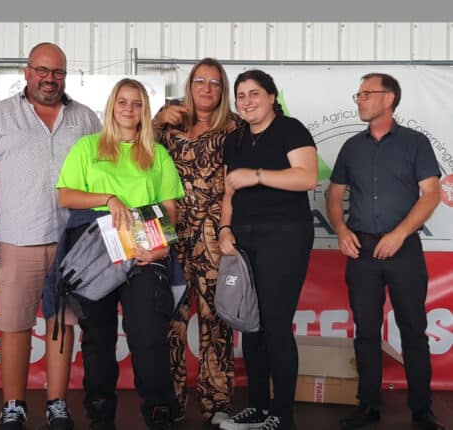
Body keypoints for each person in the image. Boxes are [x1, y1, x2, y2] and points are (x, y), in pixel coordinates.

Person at [0, 42, 101, 430]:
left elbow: (104, 172)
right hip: (17, 240)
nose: (49, 79)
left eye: (57, 72)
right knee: (15, 325)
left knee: (61, 324)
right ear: (27, 72)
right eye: (42, 70)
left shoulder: (86, 118)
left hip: (71, 243)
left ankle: (57, 403)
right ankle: (13, 406)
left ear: (65, 75)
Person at [50, 78, 184, 430]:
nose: (129, 109)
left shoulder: (157, 154)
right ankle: (100, 413)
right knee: (97, 335)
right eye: (122, 102)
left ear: (144, 110)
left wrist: (161, 248)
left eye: (136, 103)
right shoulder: (88, 147)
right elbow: (65, 195)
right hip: (97, 249)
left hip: (143, 247)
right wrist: (109, 199)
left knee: (147, 333)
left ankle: (159, 412)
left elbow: (170, 208)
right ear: (112, 106)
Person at [327, 73, 444, 430]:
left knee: (413, 329)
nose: (359, 99)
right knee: (365, 331)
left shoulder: (415, 143)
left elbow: (431, 194)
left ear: (389, 98)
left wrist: (398, 235)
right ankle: (368, 407)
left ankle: (421, 411)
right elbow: (334, 195)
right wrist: (341, 230)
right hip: (361, 251)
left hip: (404, 249)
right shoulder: (351, 147)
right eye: (358, 94)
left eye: (366, 93)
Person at [217, 69, 318, 430]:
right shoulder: (235, 140)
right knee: (251, 324)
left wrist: (257, 175)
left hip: (285, 235)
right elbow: (229, 190)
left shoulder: (291, 129)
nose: (247, 101)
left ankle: (282, 414)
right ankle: (258, 407)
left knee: (275, 325)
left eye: (255, 93)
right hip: (244, 237)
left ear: (272, 97)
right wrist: (224, 228)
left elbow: (307, 176)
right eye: (241, 95)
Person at [152, 57, 240, 425]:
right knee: (169, 317)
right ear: (189, 85)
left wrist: (227, 227)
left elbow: (236, 185)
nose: (206, 88)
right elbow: (134, 151)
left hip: (213, 234)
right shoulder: (168, 123)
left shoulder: (234, 128)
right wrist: (157, 121)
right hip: (167, 229)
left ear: (223, 89)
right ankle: (168, 401)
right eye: (200, 80)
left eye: (215, 82)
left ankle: (216, 402)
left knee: (215, 318)